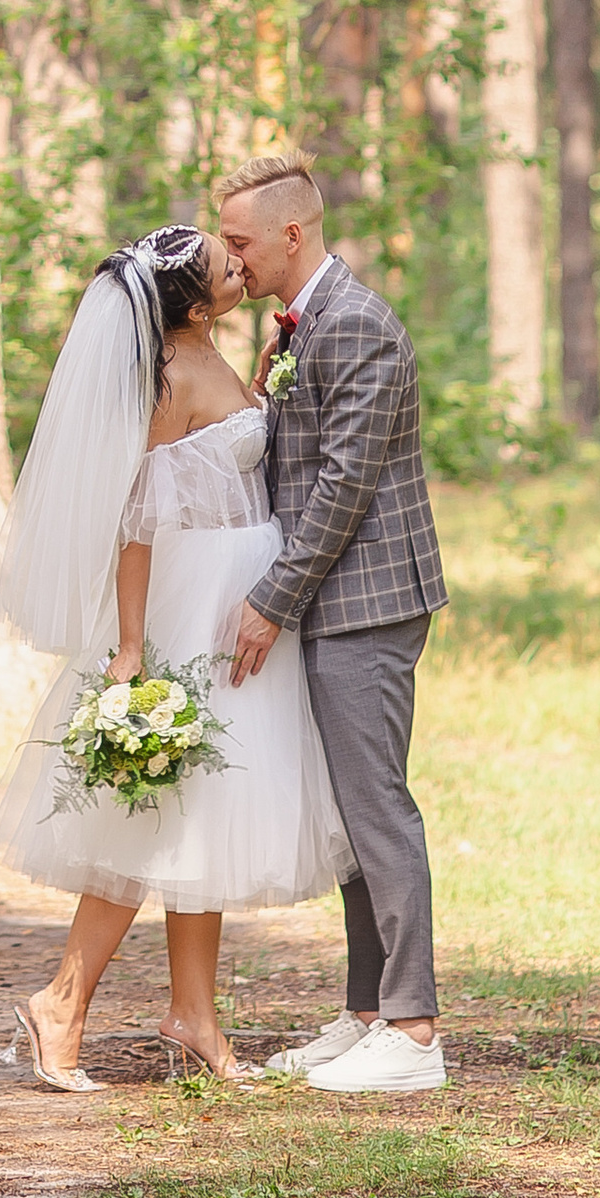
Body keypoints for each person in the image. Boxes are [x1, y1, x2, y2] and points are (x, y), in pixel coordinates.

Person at [0, 220, 353, 1089]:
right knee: (150, 816)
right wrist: (129, 649)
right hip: (193, 607)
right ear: (190, 305)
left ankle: (194, 1016)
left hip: (245, 601)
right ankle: (62, 1002)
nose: (243, 268)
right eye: (228, 268)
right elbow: (134, 523)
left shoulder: (222, 353)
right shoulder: (163, 377)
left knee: (205, 822)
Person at [216, 143, 450, 1097]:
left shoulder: (356, 324)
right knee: (351, 817)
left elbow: (347, 483)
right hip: (334, 596)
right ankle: (366, 1016)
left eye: (241, 242)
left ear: (292, 232)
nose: (233, 260)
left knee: (377, 809)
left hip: (365, 600)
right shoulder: (306, 324)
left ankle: (417, 1031)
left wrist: (272, 600)